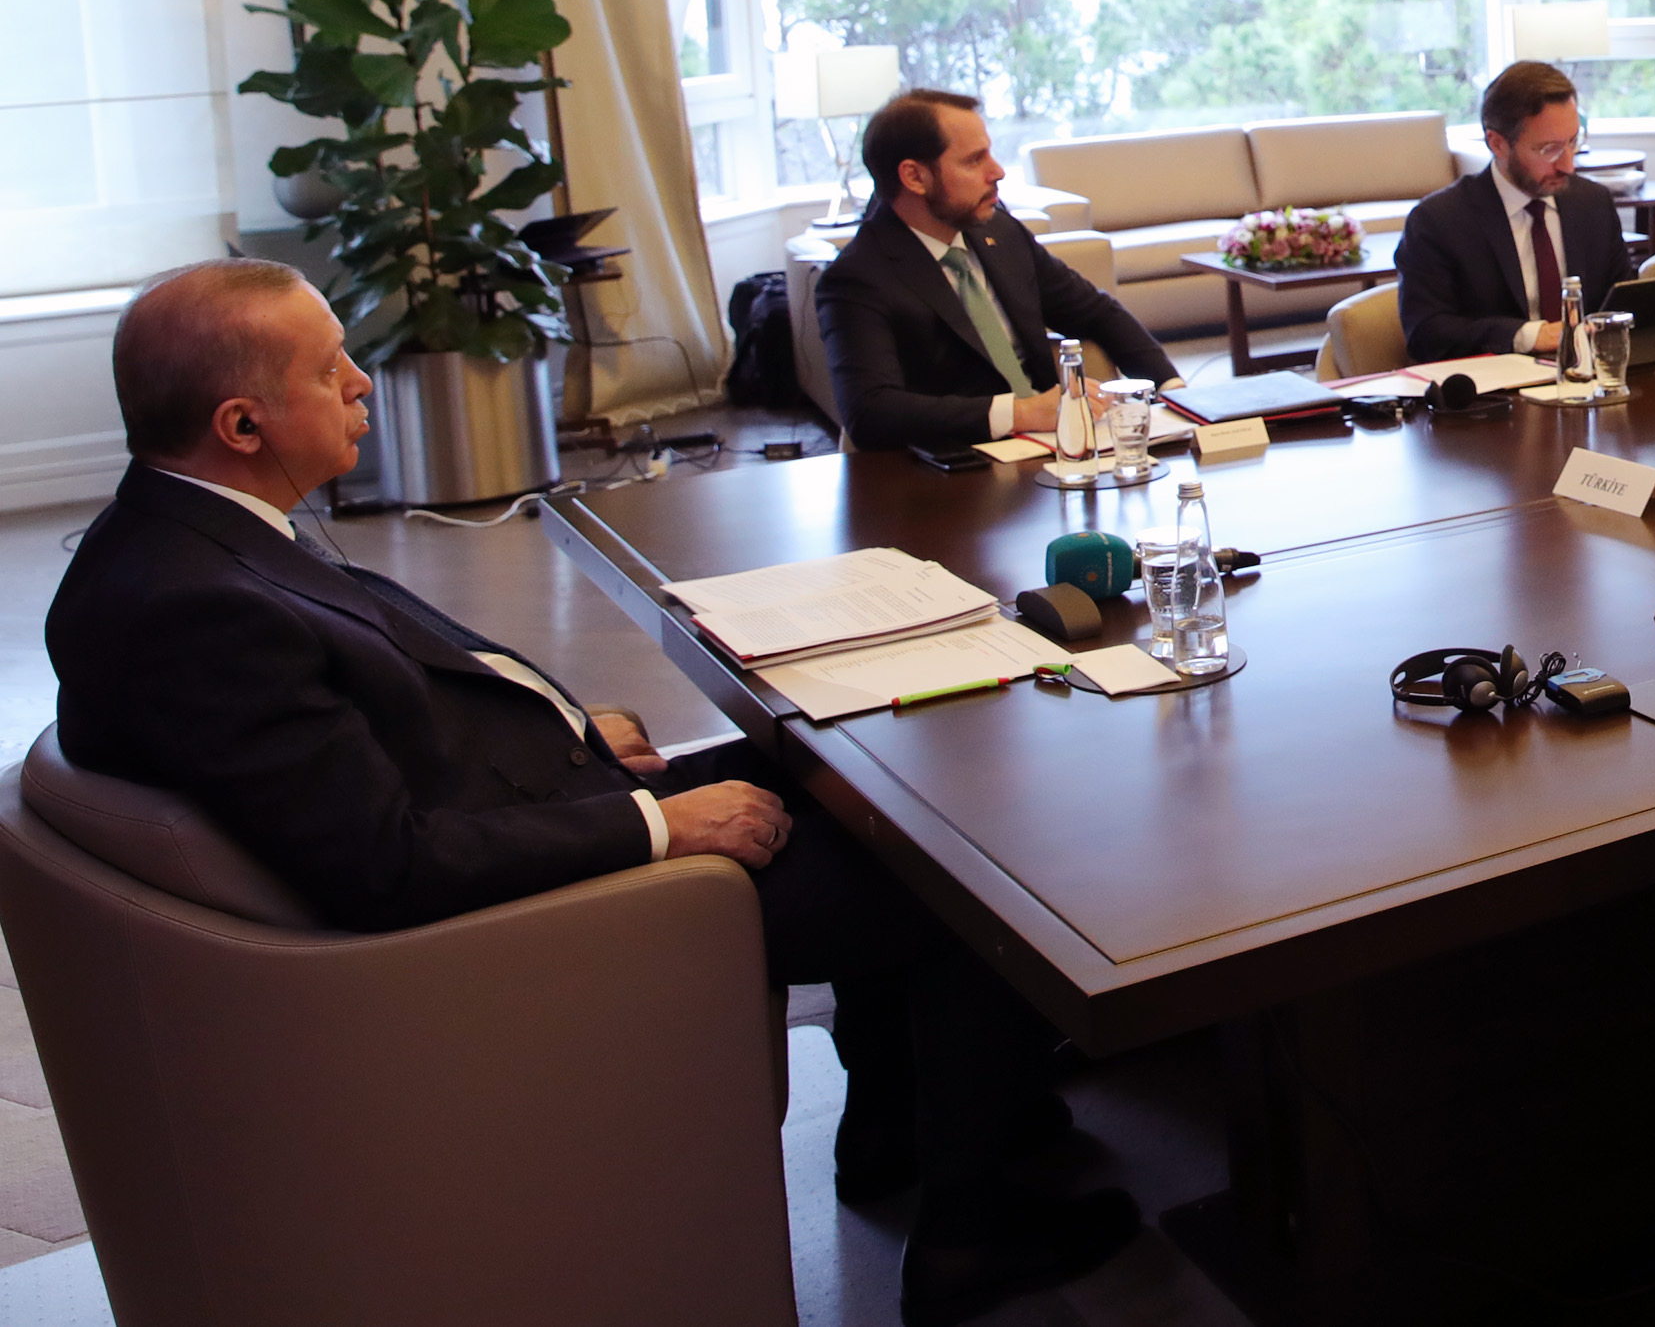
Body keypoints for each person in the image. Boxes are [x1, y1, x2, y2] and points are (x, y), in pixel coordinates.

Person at [48, 263, 1136, 1325]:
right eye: (331, 368)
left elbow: (370, 722)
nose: (362, 382)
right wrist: (658, 826)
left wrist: (570, 728)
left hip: (526, 803)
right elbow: (387, 866)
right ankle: (969, 1237)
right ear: (242, 424)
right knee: (967, 879)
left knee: (863, 762)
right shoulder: (198, 613)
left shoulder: (180, 536)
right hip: (540, 911)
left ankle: (897, 1135)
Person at [816, 89, 1175, 454]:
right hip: (958, 464)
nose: (997, 172)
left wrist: (1173, 393)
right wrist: (1020, 413)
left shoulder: (1000, 232)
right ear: (914, 177)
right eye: (974, 160)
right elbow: (870, 411)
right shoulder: (857, 279)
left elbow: (1096, 312)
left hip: (1055, 446)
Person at [1393, 59, 1636, 363]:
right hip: (1497, 386)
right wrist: (1529, 336)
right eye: (1549, 149)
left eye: (1573, 142)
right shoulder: (1438, 221)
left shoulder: (1592, 203)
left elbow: (1623, 300)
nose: (1568, 165)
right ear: (1497, 144)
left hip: (1588, 377)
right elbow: (1426, 334)